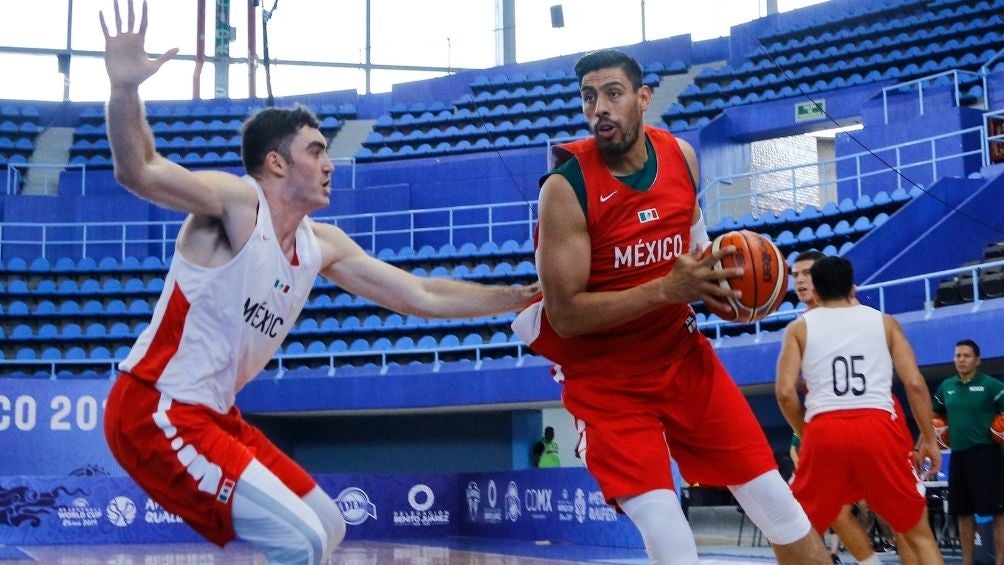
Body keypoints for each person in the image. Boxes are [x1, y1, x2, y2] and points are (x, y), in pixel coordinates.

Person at [98, 2, 538, 563]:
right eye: (317, 150)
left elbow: (421, 295)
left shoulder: (320, 244)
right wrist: (124, 90)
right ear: (277, 164)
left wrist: (517, 296)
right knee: (299, 541)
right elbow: (139, 169)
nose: (330, 163)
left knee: (329, 524)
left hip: (213, 414)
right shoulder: (239, 205)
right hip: (156, 408)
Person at [512, 48, 831, 565]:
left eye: (613, 94)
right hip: (607, 379)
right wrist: (665, 290)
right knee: (670, 536)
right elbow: (565, 315)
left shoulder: (680, 155)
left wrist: (721, 282)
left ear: (642, 98)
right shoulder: (565, 189)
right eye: (589, 98)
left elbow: (695, 244)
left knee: (781, 506)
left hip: (682, 358)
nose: (600, 110)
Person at [776, 256, 944, 565]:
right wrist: (930, 440)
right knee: (918, 533)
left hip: (824, 428)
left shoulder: (799, 328)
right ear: (852, 287)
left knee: (795, 532)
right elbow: (916, 384)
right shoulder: (884, 321)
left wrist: (806, 433)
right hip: (878, 424)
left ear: (818, 290)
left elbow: (786, 393)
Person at [932, 339, 1004, 565]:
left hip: (987, 457)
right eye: (958, 356)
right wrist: (926, 442)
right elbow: (933, 417)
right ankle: (967, 561)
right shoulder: (947, 387)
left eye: (966, 356)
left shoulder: (992, 385)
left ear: (977, 360)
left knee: (998, 513)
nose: (961, 360)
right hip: (959, 457)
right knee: (963, 512)